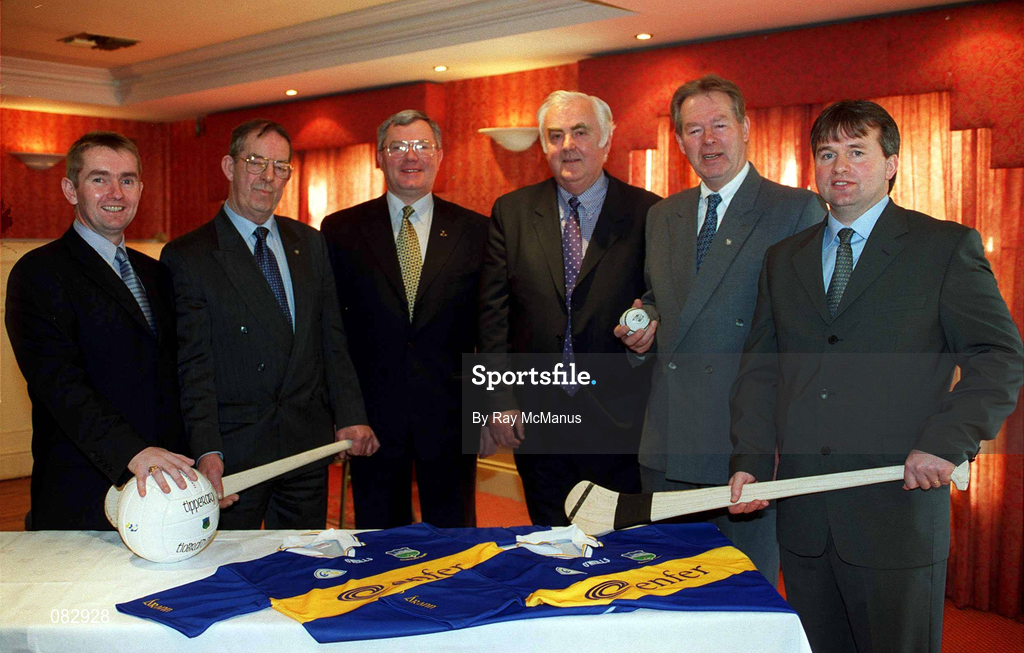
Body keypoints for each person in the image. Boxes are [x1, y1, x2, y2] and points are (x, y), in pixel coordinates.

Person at [728, 100, 1023, 652]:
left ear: (890, 163)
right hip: (805, 515)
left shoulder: (943, 248)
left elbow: (998, 356)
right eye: (827, 153)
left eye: (857, 152)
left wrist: (947, 442)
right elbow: (760, 372)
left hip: (897, 512)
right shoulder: (782, 259)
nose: (840, 166)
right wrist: (748, 460)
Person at [615, 74, 824, 585]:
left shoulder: (794, 209)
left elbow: (808, 332)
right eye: (693, 130)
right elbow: (663, 298)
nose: (708, 140)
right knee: (663, 590)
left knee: (741, 596)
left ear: (746, 128)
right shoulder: (664, 215)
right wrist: (642, 324)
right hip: (666, 441)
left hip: (743, 446)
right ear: (679, 139)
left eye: (719, 125)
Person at [161, 119, 378, 530]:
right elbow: (194, 365)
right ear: (229, 166)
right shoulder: (189, 255)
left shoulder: (309, 243)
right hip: (234, 455)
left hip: (304, 446)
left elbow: (331, 338)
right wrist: (207, 449)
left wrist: (350, 413)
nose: (268, 177)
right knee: (230, 573)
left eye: (281, 167)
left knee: (301, 569)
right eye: (256, 162)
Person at [479, 90, 661, 525]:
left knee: (621, 544)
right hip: (538, 417)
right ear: (542, 144)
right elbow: (493, 317)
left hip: (621, 419)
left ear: (606, 139)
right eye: (555, 135)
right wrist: (497, 399)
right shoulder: (512, 211)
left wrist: (650, 322)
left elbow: (661, 300)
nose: (568, 145)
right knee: (550, 542)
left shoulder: (649, 212)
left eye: (580, 132)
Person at [5, 131, 195, 530]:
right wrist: (134, 452)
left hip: (167, 491)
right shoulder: (39, 273)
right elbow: (60, 387)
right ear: (70, 189)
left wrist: (200, 460)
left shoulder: (157, 274)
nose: (116, 192)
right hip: (84, 494)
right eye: (99, 179)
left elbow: (178, 377)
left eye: (127, 180)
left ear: (140, 190)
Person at [321, 110, 488, 528]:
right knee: (379, 537)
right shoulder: (341, 230)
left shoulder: (477, 230)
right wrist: (344, 412)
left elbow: (490, 326)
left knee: (455, 538)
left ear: (440, 155)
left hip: (451, 415)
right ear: (380, 157)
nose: (410, 157)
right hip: (372, 419)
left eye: (421, 146)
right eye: (397, 147)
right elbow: (331, 333)